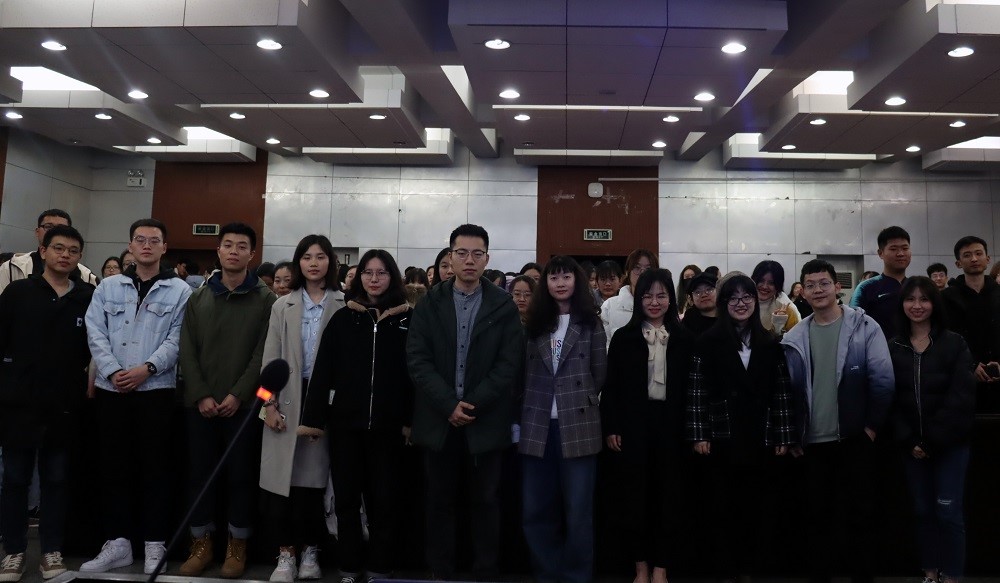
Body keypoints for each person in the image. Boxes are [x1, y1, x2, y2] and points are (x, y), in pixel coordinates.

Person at [406, 224, 523, 580]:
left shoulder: (502, 304)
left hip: (485, 420)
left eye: (477, 254)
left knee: (485, 501)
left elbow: (508, 364)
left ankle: (485, 570)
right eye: (462, 253)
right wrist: (448, 405)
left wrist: (472, 404)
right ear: (450, 257)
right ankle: (441, 571)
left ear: (487, 259)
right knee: (439, 501)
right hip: (439, 419)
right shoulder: (431, 302)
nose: (469, 260)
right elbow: (417, 359)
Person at [81, 219, 193, 575]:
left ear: (164, 247)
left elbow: (178, 337)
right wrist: (112, 370)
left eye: (154, 240)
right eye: (140, 239)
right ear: (130, 245)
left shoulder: (180, 290)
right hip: (111, 391)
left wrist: (148, 368)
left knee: (155, 469)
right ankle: (118, 543)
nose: (146, 245)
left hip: (155, 391)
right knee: (114, 468)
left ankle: (154, 543)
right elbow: (95, 331)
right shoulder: (109, 286)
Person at [302, 249, 413, 583]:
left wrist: (411, 420)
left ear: (392, 277)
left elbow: (416, 375)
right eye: (368, 273)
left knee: (385, 500)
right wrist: (314, 418)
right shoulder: (343, 318)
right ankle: (349, 567)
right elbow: (323, 369)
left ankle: (380, 567)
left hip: (389, 428)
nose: (374, 279)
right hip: (346, 425)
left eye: (381, 273)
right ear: (359, 277)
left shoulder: (408, 320)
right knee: (347, 501)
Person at [781, 259, 895, 583]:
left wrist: (870, 428)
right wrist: (795, 435)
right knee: (816, 520)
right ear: (803, 292)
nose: (818, 290)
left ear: (837, 286)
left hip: (855, 439)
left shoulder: (865, 326)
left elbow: (883, 380)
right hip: (813, 444)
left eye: (824, 283)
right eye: (811, 285)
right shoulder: (795, 336)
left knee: (861, 517)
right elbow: (788, 391)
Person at [178, 223, 276, 579]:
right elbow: (186, 349)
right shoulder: (198, 297)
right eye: (228, 245)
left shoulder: (266, 300)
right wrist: (201, 394)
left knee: (240, 478)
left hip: (245, 407)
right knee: (199, 476)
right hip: (200, 406)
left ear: (252, 254)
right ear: (218, 251)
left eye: (242, 246)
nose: (234, 251)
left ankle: (238, 545)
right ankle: (200, 544)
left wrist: (239, 394)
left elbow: (263, 352)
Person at [0, 225, 94, 582]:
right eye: (58, 248)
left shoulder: (86, 296)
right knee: (15, 480)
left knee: (57, 480)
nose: (65, 255)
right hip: (19, 404)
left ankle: (51, 550)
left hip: (65, 405)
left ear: (80, 257)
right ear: (43, 251)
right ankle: (13, 551)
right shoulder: (17, 292)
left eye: (73, 250)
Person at [687, 274, 795, 580]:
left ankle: (755, 568)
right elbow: (696, 390)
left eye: (747, 297)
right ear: (723, 303)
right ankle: (726, 569)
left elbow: (781, 391)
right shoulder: (707, 342)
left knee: (759, 506)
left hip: (761, 435)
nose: (741, 303)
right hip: (722, 435)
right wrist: (699, 434)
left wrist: (783, 434)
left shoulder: (769, 342)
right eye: (733, 298)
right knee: (722, 507)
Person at [258, 235, 344, 583]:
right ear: (298, 263)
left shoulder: (344, 303)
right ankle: (285, 554)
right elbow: (268, 364)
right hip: (285, 400)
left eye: (320, 257)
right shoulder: (282, 305)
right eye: (307, 257)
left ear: (330, 262)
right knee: (282, 485)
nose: (313, 263)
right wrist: (268, 405)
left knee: (313, 485)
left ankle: (311, 550)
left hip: (324, 402)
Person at [601, 269, 693, 583]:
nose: (654, 302)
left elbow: (693, 391)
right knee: (634, 497)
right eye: (647, 296)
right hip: (633, 427)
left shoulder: (684, 339)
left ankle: (661, 567)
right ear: (638, 299)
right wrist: (612, 426)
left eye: (661, 295)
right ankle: (640, 566)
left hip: (672, 428)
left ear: (671, 299)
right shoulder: (624, 338)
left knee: (669, 497)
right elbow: (612, 387)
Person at [519, 256, 606, 583]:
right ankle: (546, 573)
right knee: (536, 510)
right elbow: (521, 374)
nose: (560, 283)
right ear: (545, 283)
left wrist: (576, 398)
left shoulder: (591, 323)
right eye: (553, 277)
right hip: (537, 425)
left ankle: (576, 576)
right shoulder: (534, 323)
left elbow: (599, 374)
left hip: (579, 425)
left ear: (576, 281)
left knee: (578, 511)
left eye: (566, 277)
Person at [889, 276, 975, 583]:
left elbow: (961, 398)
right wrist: (910, 440)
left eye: (924, 299)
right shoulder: (894, 346)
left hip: (950, 445)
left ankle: (951, 575)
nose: (917, 306)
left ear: (934, 304)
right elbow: (888, 397)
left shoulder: (954, 343)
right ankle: (929, 572)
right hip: (911, 446)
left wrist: (932, 441)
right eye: (910, 299)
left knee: (948, 512)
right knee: (922, 511)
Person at [940, 236, 1000, 412]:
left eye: (978, 253)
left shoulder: (998, 294)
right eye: (967, 255)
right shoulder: (946, 298)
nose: (974, 259)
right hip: (961, 381)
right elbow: (944, 338)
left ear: (987, 259)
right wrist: (970, 365)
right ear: (958, 263)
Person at [0, 209, 98, 292]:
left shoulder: (86, 276)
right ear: (37, 232)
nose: (54, 232)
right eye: (48, 227)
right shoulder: (12, 268)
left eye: (61, 228)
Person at [851, 225, 912, 339]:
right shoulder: (866, 288)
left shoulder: (915, 287)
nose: (901, 253)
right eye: (893, 249)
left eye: (905, 248)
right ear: (880, 253)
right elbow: (853, 324)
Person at [600, 249, 658, 349]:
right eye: (637, 268)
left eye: (648, 269)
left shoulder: (660, 306)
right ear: (627, 272)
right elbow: (603, 345)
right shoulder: (609, 306)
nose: (642, 273)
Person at [751, 260, 800, 335]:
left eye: (771, 283)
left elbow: (795, 339)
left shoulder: (788, 312)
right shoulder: (742, 307)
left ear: (778, 286)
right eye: (761, 281)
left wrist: (779, 326)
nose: (764, 286)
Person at [680, 272, 717, 337]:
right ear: (691, 298)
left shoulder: (729, 316)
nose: (704, 295)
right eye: (697, 292)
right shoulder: (688, 322)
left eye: (709, 289)